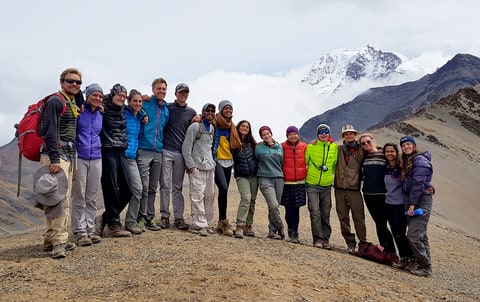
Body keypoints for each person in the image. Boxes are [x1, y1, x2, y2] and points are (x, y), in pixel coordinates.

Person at [38, 67, 82, 258]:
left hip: (66, 155)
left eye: (78, 82)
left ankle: (49, 239)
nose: (74, 84)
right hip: (57, 156)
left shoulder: (70, 101)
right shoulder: (56, 101)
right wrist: (55, 159)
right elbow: (50, 131)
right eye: (70, 81)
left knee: (52, 198)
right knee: (59, 199)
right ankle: (59, 243)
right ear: (62, 82)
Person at [95, 84, 132, 238]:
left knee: (128, 189)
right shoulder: (102, 106)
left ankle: (105, 217)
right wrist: (99, 107)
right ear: (113, 94)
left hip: (121, 150)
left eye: (124, 96)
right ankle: (114, 224)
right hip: (107, 149)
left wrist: (142, 112)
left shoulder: (124, 109)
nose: (122, 98)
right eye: (119, 95)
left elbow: (137, 106)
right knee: (110, 187)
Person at [159, 83, 197, 231]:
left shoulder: (191, 112)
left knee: (177, 186)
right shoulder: (167, 108)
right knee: (165, 184)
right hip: (166, 150)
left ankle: (179, 218)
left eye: (186, 92)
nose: (183, 94)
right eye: (181, 92)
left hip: (181, 153)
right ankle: (164, 216)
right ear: (175, 94)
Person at [71, 83, 103, 247]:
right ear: (87, 95)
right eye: (94, 95)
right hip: (80, 156)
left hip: (96, 157)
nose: (97, 98)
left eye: (100, 96)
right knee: (79, 195)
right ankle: (79, 232)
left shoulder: (100, 113)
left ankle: (90, 230)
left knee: (91, 195)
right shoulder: (79, 110)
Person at [137, 78, 169, 231]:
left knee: (152, 187)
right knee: (142, 186)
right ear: (153, 89)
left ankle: (150, 217)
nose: (161, 91)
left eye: (163, 89)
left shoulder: (166, 109)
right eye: (159, 88)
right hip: (143, 149)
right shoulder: (145, 103)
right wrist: (141, 97)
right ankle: (140, 217)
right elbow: (131, 108)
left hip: (158, 151)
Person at [358, 133, 397, 258]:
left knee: (382, 223)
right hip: (368, 194)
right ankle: (385, 250)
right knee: (378, 223)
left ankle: (392, 251)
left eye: (368, 141)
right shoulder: (363, 156)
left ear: (373, 140)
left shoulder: (384, 155)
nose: (366, 145)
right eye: (363, 143)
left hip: (382, 195)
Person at [400, 136, 434, 277]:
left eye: (408, 144)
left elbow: (418, 183)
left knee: (413, 235)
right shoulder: (409, 160)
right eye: (403, 145)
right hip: (413, 199)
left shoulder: (419, 160)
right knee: (421, 234)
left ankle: (425, 266)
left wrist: (413, 204)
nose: (406, 147)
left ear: (414, 146)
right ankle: (425, 264)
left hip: (420, 200)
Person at [181, 103, 216, 237]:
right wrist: (190, 165)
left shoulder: (212, 128)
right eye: (208, 110)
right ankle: (200, 224)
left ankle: (206, 222)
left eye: (213, 111)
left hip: (209, 166)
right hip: (196, 166)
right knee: (197, 195)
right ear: (203, 112)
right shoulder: (195, 127)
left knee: (209, 195)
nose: (210, 113)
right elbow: (186, 147)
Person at [334, 124, 367, 254]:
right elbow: (325, 147)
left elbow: (374, 149)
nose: (349, 136)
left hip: (355, 189)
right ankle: (350, 243)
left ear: (354, 135)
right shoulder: (338, 149)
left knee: (359, 217)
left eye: (351, 133)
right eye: (346, 134)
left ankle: (363, 243)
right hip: (339, 188)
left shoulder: (362, 149)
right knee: (343, 217)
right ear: (343, 136)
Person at [305, 124, 338, 249]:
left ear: (329, 134)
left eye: (326, 132)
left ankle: (325, 240)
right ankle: (317, 239)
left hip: (326, 185)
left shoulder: (334, 148)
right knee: (314, 211)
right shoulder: (311, 146)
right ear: (317, 135)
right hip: (312, 184)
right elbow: (305, 161)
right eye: (321, 132)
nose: (323, 134)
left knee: (325, 212)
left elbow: (335, 165)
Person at [383, 142, 415, 270]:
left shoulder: (402, 167)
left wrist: (429, 187)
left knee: (400, 233)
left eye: (392, 151)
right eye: (387, 152)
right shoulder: (385, 167)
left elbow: (414, 180)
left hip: (400, 204)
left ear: (397, 152)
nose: (389, 154)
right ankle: (404, 258)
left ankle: (411, 258)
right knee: (395, 232)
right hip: (389, 204)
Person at [212, 100, 242, 236]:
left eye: (230, 108)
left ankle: (221, 222)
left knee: (224, 192)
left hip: (229, 162)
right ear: (221, 110)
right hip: (217, 160)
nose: (228, 110)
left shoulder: (232, 127)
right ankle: (223, 222)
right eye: (226, 108)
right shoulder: (215, 122)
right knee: (223, 188)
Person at [255, 126, 285, 240]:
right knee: (273, 204)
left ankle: (272, 231)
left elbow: (281, 162)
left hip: (278, 178)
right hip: (264, 178)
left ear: (271, 133)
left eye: (267, 133)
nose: (266, 136)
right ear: (261, 137)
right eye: (263, 135)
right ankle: (280, 226)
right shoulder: (258, 148)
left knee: (274, 207)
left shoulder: (279, 147)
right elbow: (255, 160)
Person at [124, 89, 147, 235]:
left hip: (132, 157)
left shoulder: (139, 117)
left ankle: (130, 221)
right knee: (118, 191)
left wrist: (143, 114)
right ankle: (109, 220)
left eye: (140, 101)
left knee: (138, 189)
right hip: (120, 155)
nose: (137, 104)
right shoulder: (122, 113)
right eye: (135, 101)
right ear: (129, 101)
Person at [280, 126, 307, 244]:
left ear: (298, 135)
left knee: (296, 209)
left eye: (294, 134)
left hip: (300, 183)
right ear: (287, 136)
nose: (293, 136)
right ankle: (290, 228)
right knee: (288, 209)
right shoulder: (282, 146)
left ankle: (295, 232)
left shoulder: (304, 146)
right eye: (290, 134)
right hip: (287, 182)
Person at [232, 120, 258, 238]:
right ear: (238, 127)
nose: (245, 128)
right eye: (242, 126)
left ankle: (249, 225)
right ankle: (240, 226)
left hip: (254, 175)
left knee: (252, 200)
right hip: (241, 175)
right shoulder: (234, 142)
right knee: (246, 198)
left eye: (247, 127)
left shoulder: (253, 143)